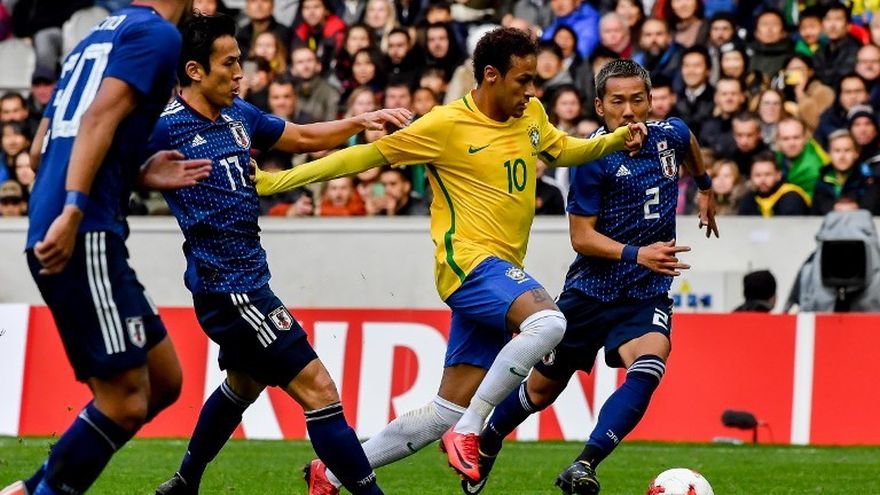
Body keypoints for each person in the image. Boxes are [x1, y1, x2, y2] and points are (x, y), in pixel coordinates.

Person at [252, 28, 647, 493]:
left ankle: (332, 472)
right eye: (522, 81)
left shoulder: (531, 113)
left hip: (500, 274)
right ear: (491, 75)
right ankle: (472, 428)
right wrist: (276, 182)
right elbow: (361, 157)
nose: (531, 91)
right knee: (548, 323)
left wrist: (615, 140)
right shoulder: (444, 125)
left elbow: (563, 149)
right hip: (469, 266)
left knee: (444, 410)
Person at [147, 15, 411, 495]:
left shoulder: (238, 116)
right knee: (320, 390)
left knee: (244, 384)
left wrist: (359, 122)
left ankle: (185, 481)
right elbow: (111, 164)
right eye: (229, 63)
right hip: (230, 289)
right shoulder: (164, 128)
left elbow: (304, 138)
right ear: (195, 70)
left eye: (241, 62)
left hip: (245, 281)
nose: (240, 73)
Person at [465, 58, 719, 495]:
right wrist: (638, 254)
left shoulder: (669, 135)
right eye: (617, 102)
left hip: (645, 293)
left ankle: (584, 464)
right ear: (600, 107)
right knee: (541, 392)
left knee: (651, 363)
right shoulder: (591, 158)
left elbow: (689, 140)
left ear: (650, 101)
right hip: (590, 292)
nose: (628, 111)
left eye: (637, 100)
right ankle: (489, 439)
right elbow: (581, 238)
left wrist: (706, 186)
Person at [3, 2, 213, 495]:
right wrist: (75, 208)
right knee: (124, 401)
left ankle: (30, 488)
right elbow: (97, 119)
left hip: (77, 224)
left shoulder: (97, 35)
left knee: (163, 379)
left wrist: (135, 173)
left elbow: (38, 149)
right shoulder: (159, 36)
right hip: (84, 230)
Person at [739, 152, 810, 216]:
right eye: (757, 175)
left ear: (778, 175)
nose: (763, 180)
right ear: (751, 177)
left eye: (768, 174)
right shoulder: (748, 199)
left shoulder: (792, 198)